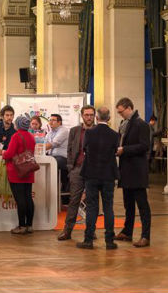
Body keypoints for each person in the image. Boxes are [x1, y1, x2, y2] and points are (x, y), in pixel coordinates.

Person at [77, 107, 120, 250]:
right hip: (108, 174)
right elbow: (115, 151)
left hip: (91, 174)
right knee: (108, 208)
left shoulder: (89, 133)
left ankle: (88, 240)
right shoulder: (115, 134)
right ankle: (109, 241)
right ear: (109, 118)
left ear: (96, 117)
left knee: (92, 207)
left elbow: (84, 149)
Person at [114, 97, 151, 248]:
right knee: (128, 204)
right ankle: (127, 232)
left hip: (137, 171)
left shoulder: (141, 124)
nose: (120, 115)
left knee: (142, 205)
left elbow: (144, 146)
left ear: (129, 108)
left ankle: (145, 236)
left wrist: (124, 150)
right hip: (126, 169)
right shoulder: (124, 123)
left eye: (121, 112)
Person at [58, 105, 96, 240]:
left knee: (92, 201)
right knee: (73, 200)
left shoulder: (98, 131)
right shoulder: (74, 131)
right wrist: (70, 167)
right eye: (86, 115)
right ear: (82, 116)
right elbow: (69, 149)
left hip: (93, 171)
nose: (89, 117)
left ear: (95, 116)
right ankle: (67, 231)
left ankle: (91, 231)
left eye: (91, 115)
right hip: (77, 169)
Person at [3, 115, 36, 235]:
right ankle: (29, 225)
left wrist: (3, 153)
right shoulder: (31, 136)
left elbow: (9, 154)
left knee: (20, 199)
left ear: (18, 124)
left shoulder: (16, 136)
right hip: (28, 170)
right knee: (28, 198)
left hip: (17, 172)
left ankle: (21, 226)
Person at [45, 114, 69, 204]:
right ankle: (48, 192)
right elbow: (45, 142)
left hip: (63, 159)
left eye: (53, 120)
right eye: (50, 120)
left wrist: (38, 148)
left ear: (59, 122)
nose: (50, 122)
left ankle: (53, 191)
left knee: (53, 161)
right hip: (53, 157)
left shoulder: (63, 131)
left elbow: (53, 144)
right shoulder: (50, 132)